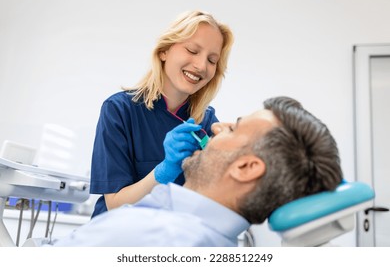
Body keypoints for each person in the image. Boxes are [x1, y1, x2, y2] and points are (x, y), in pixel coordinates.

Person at [52, 96, 343, 247]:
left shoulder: (151, 235)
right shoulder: (204, 238)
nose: (216, 126)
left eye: (234, 127)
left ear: (246, 167)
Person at [90, 10, 234, 218]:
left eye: (212, 60)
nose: (201, 66)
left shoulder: (207, 121)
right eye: (192, 50)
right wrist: (165, 170)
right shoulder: (119, 110)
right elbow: (115, 206)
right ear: (164, 51)